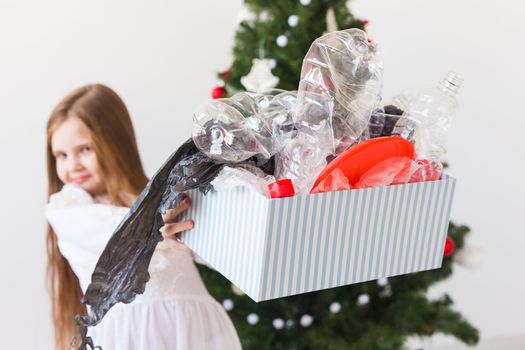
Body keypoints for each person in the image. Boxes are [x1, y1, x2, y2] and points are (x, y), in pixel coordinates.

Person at [44, 83, 241, 350]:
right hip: (132, 339)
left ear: (114, 143)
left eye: (85, 150)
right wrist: (156, 224)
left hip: (194, 333)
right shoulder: (67, 209)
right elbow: (113, 238)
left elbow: (215, 249)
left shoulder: (164, 198)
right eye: (61, 156)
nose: (72, 165)